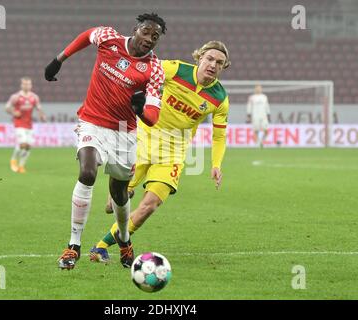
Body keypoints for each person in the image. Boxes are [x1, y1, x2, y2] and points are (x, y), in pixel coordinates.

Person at [89, 41, 231, 264]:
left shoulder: (220, 98)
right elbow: (143, 72)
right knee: (111, 205)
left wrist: (216, 164)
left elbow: (219, 135)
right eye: (210, 59)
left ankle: (101, 246)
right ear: (200, 57)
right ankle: (120, 204)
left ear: (224, 67)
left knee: (149, 206)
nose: (213, 65)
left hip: (172, 154)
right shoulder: (176, 69)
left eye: (220, 63)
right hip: (141, 142)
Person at [44, 13, 167, 270]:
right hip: (92, 121)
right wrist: (59, 60)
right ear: (135, 30)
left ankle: (124, 240)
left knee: (119, 192)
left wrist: (140, 109)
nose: (149, 39)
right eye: (146, 32)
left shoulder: (154, 69)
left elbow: (153, 117)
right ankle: (73, 246)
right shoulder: (109, 38)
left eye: (155, 37)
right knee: (87, 173)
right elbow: (86, 36)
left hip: (124, 132)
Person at [5, 77, 46, 173]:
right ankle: (13, 160)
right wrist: (14, 112)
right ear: (21, 85)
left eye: (28, 84)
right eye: (25, 84)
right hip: (19, 124)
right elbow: (7, 107)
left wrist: (42, 116)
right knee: (23, 143)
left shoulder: (34, 97)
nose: (27, 86)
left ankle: (21, 166)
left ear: (31, 85)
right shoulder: (16, 97)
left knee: (28, 146)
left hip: (29, 124)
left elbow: (39, 108)